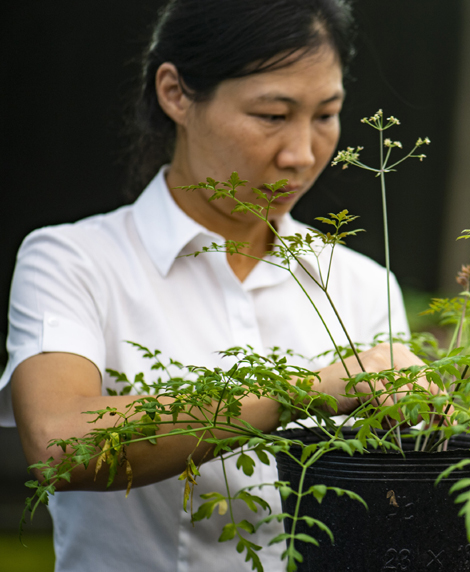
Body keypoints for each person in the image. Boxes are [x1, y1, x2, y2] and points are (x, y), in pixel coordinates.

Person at [0, 1, 424, 570]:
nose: (301, 154)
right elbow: (62, 445)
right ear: (176, 93)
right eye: (272, 115)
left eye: (326, 115)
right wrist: (305, 390)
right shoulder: (76, 262)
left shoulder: (363, 288)